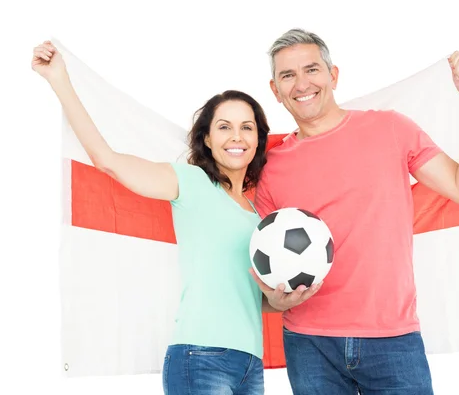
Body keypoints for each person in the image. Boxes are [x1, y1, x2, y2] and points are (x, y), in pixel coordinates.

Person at [31, 40, 319, 395]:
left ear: (259, 139)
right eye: (224, 127)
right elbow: (107, 159)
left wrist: (279, 301)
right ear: (208, 139)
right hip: (200, 356)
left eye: (247, 127)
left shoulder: (258, 215)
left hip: (249, 365)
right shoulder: (191, 182)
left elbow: (244, 295)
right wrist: (58, 79)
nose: (237, 137)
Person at [250, 28, 459, 394]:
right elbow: (264, 273)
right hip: (309, 343)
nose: (302, 84)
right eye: (288, 75)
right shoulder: (270, 167)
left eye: (312, 69)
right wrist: (275, 300)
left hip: (392, 339)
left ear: (333, 75)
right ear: (275, 90)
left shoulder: (390, 128)